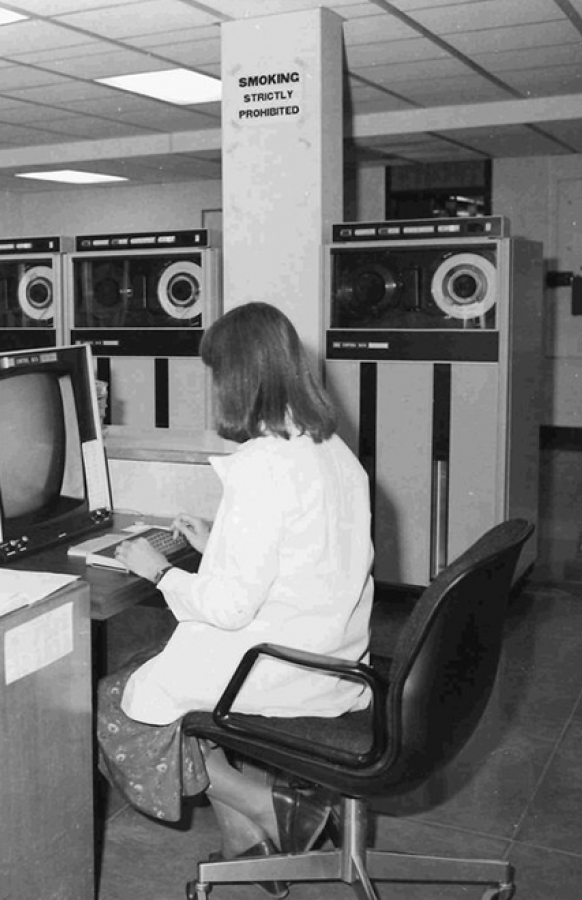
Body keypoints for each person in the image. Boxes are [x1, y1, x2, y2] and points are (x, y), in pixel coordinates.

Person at [96, 301, 373, 897]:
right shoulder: (332, 450)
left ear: (236, 380)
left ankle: (271, 810)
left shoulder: (262, 465)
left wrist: (156, 571)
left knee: (120, 702)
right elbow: (305, 556)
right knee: (170, 678)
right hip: (335, 655)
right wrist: (215, 539)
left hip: (279, 664)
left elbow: (227, 609)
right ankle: (250, 850)